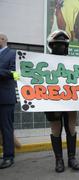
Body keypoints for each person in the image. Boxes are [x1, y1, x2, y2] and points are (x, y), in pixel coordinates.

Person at [45, 30, 79, 173]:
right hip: (51, 101)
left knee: (71, 127)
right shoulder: (43, 61)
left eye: (63, 45)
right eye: (56, 45)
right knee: (56, 129)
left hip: (70, 100)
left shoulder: (73, 62)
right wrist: (22, 78)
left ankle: (72, 158)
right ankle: (58, 159)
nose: (60, 47)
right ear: (51, 45)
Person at [0, 33, 18, 169]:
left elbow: (14, 72)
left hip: (5, 98)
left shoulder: (12, 54)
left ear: (3, 40)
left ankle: (8, 156)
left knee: (6, 128)